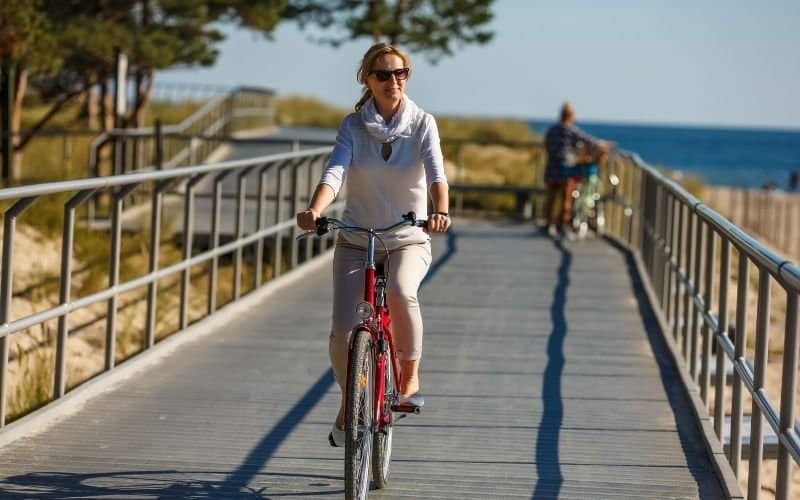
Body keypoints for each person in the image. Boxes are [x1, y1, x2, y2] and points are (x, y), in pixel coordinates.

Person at [296, 42, 450, 447]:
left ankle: (410, 376)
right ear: (366, 79)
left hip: (406, 238)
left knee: (401, 291)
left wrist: (440, 209)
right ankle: (350, 400)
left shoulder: (422, 123)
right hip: (356, 238)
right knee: (343, 330)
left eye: (400, 74)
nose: (392, 82)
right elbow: (335, 171)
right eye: (382, 74)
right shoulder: (353, 126)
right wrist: (314, 209)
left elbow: (436, 171)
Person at [543, 102, 614, 238]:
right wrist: (603, 144)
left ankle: (549, 224)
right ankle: (562, 225)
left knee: (551, 197)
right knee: (566, 198)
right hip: (564, 168)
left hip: (551, 167)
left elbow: (547, 145)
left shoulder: (552, 130)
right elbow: (588, 140)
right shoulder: (569, 129)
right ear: (570, 116)